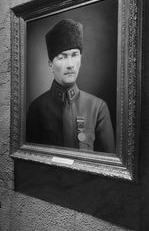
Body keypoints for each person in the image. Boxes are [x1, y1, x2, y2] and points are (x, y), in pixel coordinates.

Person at [26, 19, 115, 153]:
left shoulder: (97, 108)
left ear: (81, 59)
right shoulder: (36, 108)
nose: (70, 64)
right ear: (51, 64)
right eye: (62, 57)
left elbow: (108, 167)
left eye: (74, 55)